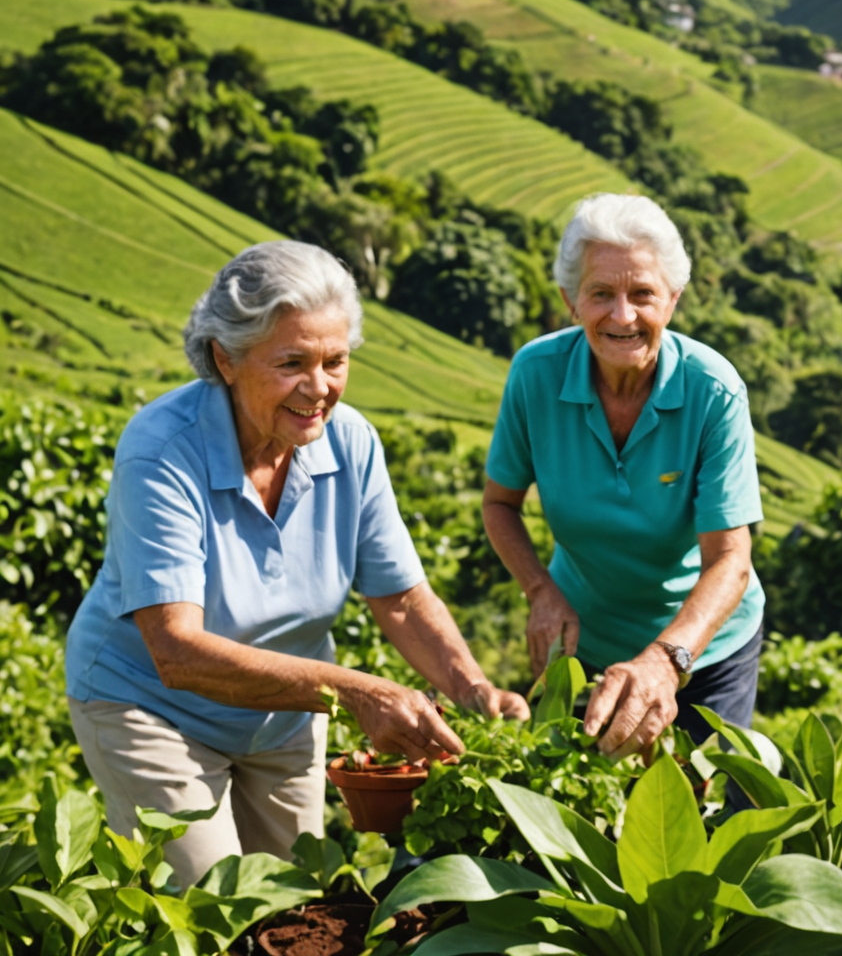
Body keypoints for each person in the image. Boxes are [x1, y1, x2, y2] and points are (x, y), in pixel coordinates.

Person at [64, 241, 528, 887]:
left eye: (335, 361)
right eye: (292, 363)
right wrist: (362, 692)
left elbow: (400, 598)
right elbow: (176, 650)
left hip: (284, 713)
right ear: (225, 359)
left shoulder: (352, 442)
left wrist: (475, 690)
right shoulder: (162, 450)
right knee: (212, 898)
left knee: (294, 903)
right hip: (150, 708)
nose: (319, 388)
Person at [483, 194, 763, 757]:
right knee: (571, 815)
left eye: (642, 295)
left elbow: (731, 561)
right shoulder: (535, 376)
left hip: (699, 648)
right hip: (585, 640)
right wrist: (541, 589)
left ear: (674, 300)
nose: (622, 317)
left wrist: (667, 660)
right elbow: (499, 504)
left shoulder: (713, 390)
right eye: (601, 294)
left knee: (705, 816)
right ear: (570, 300)